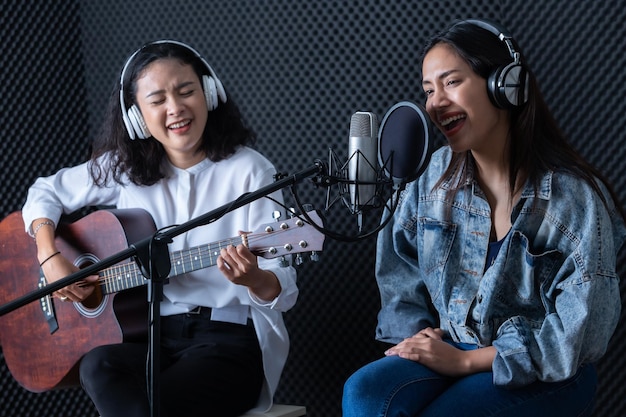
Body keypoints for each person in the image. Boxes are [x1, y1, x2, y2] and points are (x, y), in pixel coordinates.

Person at [342, 18, 626, 417]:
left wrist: (464, 362)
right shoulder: (431, 176)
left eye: (451, 82)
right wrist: (417, 335)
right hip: (453, 346)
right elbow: (398, 262)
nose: (434, 103)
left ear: (505, 85)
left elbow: (581, 335)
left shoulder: (574, 198)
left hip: (548, 368)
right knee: (364, 394)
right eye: (428, 90)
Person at [22, 40, 298, 417]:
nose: (176, 109)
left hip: (226, 343)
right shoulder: (124, 169)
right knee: (97, 366)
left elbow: (283, 286)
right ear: (137, 116)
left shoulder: (251, 170)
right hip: (147, 336)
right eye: (157, 100)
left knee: (155, 404)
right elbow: (45, 191)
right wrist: (50, 257)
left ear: (209, 93)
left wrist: (254, 279)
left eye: (186, 92)